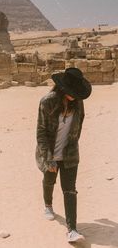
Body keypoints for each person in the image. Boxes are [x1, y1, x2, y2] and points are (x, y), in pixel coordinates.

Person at [35, 67, 92, 243]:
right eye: (71, 92)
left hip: (70, 155)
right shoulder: (47, 102)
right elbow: (41, 133)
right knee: (49, 180)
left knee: (70, 190)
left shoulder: (78, 102)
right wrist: (48, 158)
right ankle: (48, 205)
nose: (74, 96)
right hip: (50, 153)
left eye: (77, 93)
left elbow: (79, 126)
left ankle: (72, 230)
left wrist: (72, 147)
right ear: (62, 88)